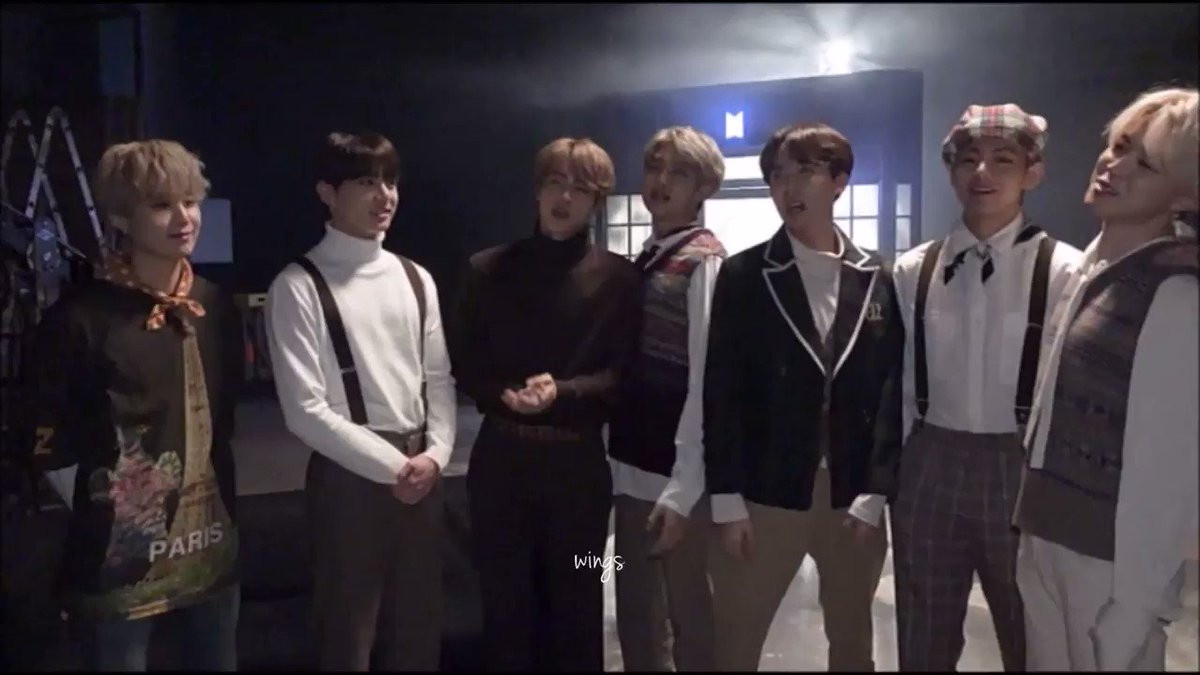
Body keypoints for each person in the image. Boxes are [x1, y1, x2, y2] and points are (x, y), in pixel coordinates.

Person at [28, 139, 242, 671]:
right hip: (113, 556)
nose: (184, 218)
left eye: (190, 201)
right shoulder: (79, 319)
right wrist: (111, 509)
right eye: (162, 205)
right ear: (122, 217)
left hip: (212, 543)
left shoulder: (213, 304)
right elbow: (46, 437)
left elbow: (226, 420)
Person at [883, 103, 1082, 671]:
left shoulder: (1065, 269)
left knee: (1031, 634)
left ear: (1033, 173)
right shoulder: (914, 269)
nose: (982, 173)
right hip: (929, 459)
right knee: (923, 633)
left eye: (1003, 160)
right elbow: (900, 382)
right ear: (951, 172)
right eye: (968, 159)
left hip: (1021, 464)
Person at [703, 122, 904, 672]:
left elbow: (891, 389)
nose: (788, 187)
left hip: (850, 496)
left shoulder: (878, 275)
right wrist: (726, 498)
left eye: (806, 172)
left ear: (839, 181)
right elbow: (722, 391)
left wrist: (876, 489)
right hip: (766, 491)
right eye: (778, 175)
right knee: (736, 639)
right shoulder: (746, 273)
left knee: (852, 641)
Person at [1013, 86, 1199, 671]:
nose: (1115, 166)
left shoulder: (1173, 292)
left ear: (1186, 194)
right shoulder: (1094, 269)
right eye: (1118, 146)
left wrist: (1135, 605)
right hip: (1045, 534)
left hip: (1107, 559)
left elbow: (1167, 473)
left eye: (1146, 164)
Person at [264, 130, 456, 670]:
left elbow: (438, 378)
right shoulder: (298, 286)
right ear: (327, 192)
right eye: (367, 182)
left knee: (420, 627)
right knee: (347, 632)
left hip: (422, 466)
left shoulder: (416, 277)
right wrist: (397, 467)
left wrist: (437, 454)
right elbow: (304, 410)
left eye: (390, 181)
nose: (385, 195)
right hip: (349, 475)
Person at [448, 136, 641, 671]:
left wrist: (563, 392)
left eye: (581, 189)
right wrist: (500, 394)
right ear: (537, 191)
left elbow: (623, 376)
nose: (565, 198)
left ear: (597, 201)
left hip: (578, 470)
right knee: (505, 608)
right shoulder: (486, 269)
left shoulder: (620, 279)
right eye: (555, 183)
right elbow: (463, 360)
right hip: (501, 466)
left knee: (580, 602)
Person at [607, 125, 726, 671]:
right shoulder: (647, 257)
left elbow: (705, 380)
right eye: (655, 168)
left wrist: (685, 485)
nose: (661, 182)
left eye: (679, 173)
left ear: (703, 188)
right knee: (635, 611)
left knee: (690, 617)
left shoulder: (703, 262)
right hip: (630, 467)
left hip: (676, 478)